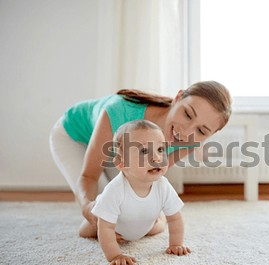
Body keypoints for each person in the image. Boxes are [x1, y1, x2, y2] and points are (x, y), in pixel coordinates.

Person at [49, 81, 232, 235]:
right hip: (74, 136)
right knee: (105, 211)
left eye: (201, 130)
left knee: (128, 214)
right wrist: (87, 208)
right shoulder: (119, 111)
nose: (186, 131)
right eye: (187, 114)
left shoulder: (191, 141)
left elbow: (151, 178)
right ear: (178, 97)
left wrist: (152, 219)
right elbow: (88, 176)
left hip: (120, 152)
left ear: (209, 135)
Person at [92, 120, 190, 265]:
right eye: (144, 151)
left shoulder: (163, 185)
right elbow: (106, 228)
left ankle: (158, 219)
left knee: (158, 227)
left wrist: (176, 244)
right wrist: (116, 255)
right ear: (121, 163)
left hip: (145, 224)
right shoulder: (115, 190)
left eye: (160, 149)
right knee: (89, 230)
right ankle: (95, 208)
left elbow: (175, 218)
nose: (156, 158)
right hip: (116, 226)